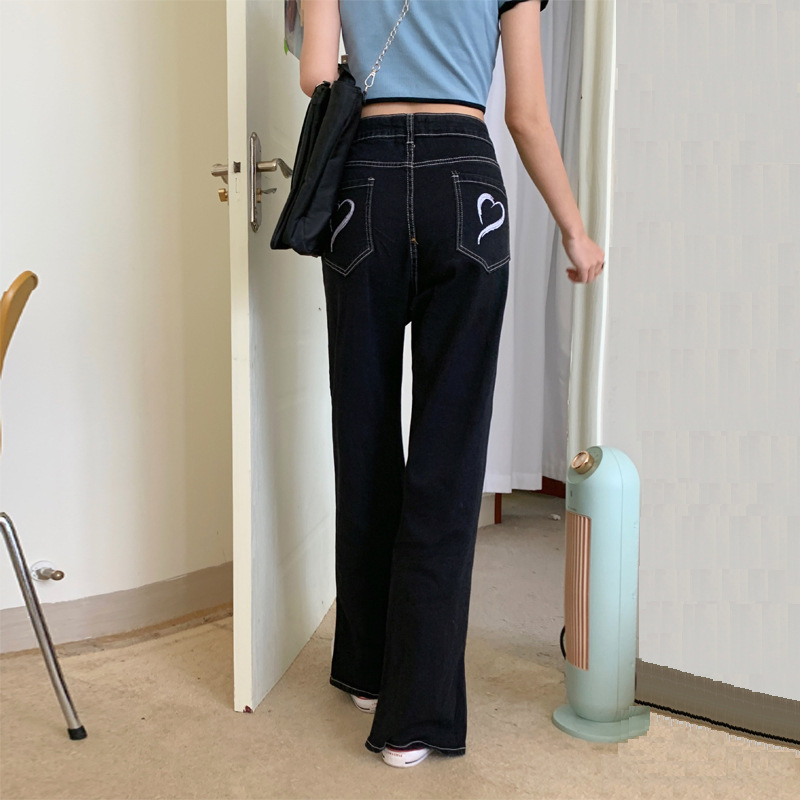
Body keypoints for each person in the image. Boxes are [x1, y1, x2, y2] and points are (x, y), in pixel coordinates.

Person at [299, 0, 605, 769]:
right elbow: (526, 116)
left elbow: (315, 75)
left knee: (363, 435)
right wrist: (574, 229)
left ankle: (368, 667)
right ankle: (414, 717)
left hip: (362, 183)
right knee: (449, 453)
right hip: (466, 185)